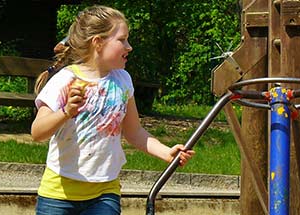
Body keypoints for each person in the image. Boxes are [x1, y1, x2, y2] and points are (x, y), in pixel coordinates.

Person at [31, 5, 195, 214]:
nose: (129, 47)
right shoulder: (66, 80)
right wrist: (65, 113)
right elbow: (37, 133)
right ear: (98, 42)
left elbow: (134, 132)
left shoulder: (123, 81)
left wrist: (166, 152)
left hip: (104, 193)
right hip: (58, 194)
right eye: (122, 39)